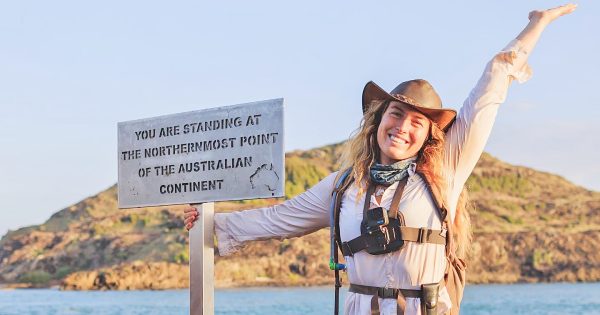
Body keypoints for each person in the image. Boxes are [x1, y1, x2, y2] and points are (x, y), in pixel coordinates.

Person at [184, 4, 576, 314]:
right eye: (395, 114)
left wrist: (537, 24)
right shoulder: (341, 188)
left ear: (428, 135)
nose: (403, 127)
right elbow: (277, 219)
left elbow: (492, 86)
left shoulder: (445, 170)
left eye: (417, 121)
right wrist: (209, 221)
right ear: (377, 121)